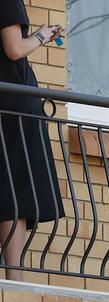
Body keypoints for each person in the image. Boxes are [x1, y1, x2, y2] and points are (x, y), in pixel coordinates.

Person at [0, 0, 63, 281]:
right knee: (14, 188)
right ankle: (14, 277)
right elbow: (14, 49)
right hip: (14, 104)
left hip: (9, 102)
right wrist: (42, 35)